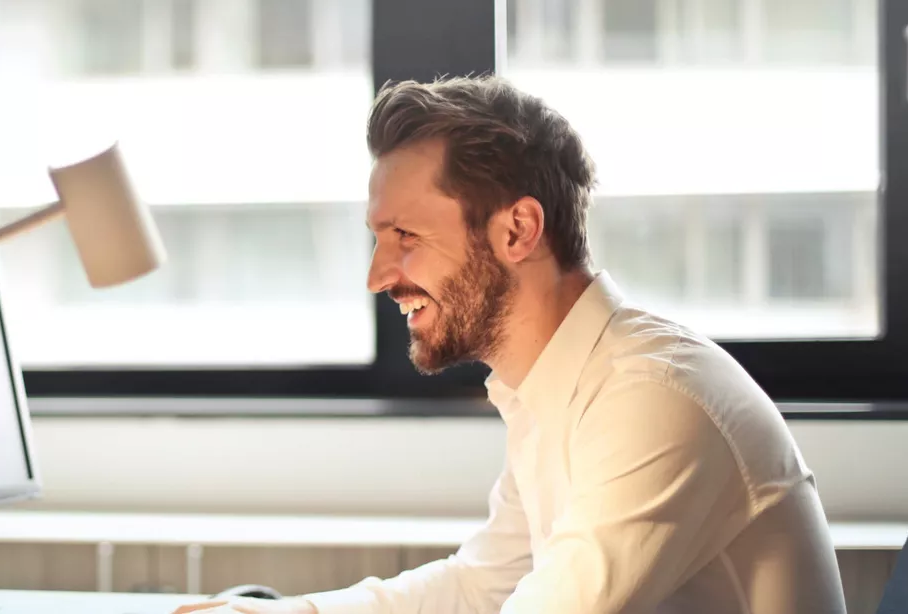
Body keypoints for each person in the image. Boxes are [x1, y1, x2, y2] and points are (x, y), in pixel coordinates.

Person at [173, 76, 846, 614]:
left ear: (519, 230)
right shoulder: (551, 389)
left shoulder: (653, 400)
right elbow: (481, 587)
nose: (378, 275)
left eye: (405, 236)